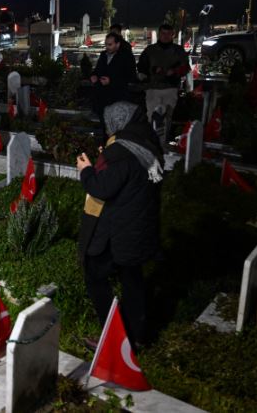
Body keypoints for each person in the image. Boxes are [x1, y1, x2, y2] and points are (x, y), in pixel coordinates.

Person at [75, 102, 163, 351]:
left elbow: (101, 188)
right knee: (133, 280)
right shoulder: (146, 145)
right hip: (140, 228)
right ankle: (137, 335)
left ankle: (113, 337)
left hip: (117, 232)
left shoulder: (120, 153)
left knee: (95, 276)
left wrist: (87, 170)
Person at [137, 24, 188, 143]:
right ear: (159, 34)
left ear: (172, 35)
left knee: (167, 119)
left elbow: (185, 68)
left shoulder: (178, 50)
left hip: (170, 89)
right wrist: (151, 72)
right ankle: (151, 143)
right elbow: (141, 67)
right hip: (153, 90)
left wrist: (174, 71)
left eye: (168, 34)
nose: (165, 36)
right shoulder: (150, 50)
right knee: (152, 117)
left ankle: (162, 144)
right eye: (163, 33)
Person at [90, 32, 138, 134]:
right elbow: (98, 70)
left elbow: (131, 76)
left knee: (117, 128)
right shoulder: (103, 55)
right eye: (106, 44)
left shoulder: (126, 56)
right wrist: (94, 76)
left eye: (110, 44)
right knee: (104, 126)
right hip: (102, 97)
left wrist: (111, 81)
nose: (107, 47)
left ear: (118, 44)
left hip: (117, 97)